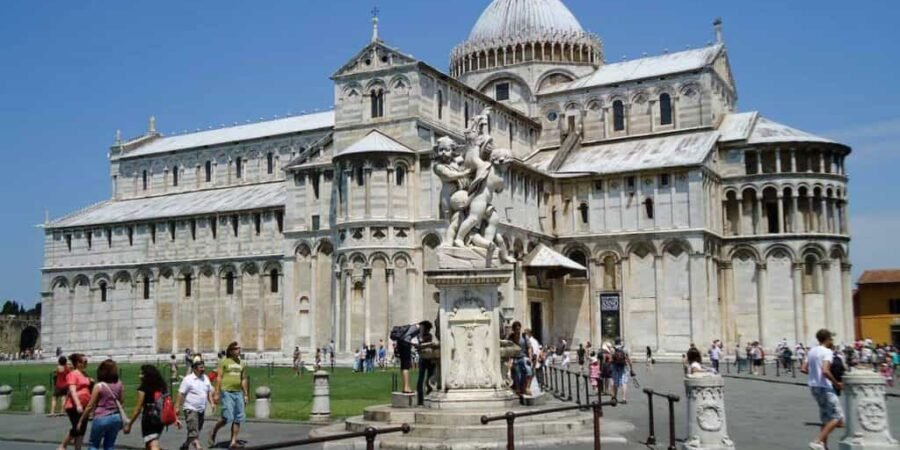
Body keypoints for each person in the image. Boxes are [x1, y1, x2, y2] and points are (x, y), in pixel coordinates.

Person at [800, 329, 844, 450]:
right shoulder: (827, 352)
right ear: (828, 339)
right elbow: (825, 371)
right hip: (825, 387)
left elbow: (803, 368)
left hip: (814, 387)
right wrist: (837, 383)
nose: (832, 341)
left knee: (826, 418)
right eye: (831, 339)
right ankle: (818, 441)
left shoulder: (811, 351)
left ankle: (824, 447)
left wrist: (814, 374)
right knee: (838, 417)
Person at [123, 365, 176, 450]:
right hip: (160, 416)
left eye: (141, 374)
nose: (139, 376)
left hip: (149, 417)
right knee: (149, 443)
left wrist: (130, 424)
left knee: (153, 443)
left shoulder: (143, 388)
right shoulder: (161, 387)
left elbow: (138, 408)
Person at [209, 342, 248, 449]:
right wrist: (216, 392)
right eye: (236, 349)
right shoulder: (224, 362)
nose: (239, 350)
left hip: (238, 392)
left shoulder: (242, 363)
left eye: (240, 348)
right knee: (227, 417)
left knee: (238, 418)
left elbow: (243, 379)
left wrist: (246, 394)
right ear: (230, 350)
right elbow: (219, 377)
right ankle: (214, 430)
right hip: (227, 392)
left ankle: (233, 442)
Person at [78, 359, 124, 450]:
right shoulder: (119, 384)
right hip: (115, 417)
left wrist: (81, 419)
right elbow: (121, 400)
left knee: (94, 444)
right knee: (109, 444)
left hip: (101, 416)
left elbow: (90, 406)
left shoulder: (99, 386)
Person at [177, 359, 215, 450]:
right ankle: (198, 446)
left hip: (201, 409)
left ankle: (185, 445)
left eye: (203, 367)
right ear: (194, 368)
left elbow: (209, 391)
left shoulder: (205, 378)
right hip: (190, 408)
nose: (203, 369)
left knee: (196, 430)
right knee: (193, 429)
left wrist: (212, 402)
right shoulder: (188, 379)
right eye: (201, 367)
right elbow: (181, 393)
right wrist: (177, 406)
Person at [59, 353, 91, 450]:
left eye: (86, 362)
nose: (86, 364)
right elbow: (72, 390)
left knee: (82, 430)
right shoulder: (72, 374)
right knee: (77, 427)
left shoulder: (84, 374)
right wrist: (78, 404)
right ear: (78, 363)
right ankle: (63, 446)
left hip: (85, 405)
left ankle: (78, 448)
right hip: (74, 406)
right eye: (84, 362)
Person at [392, 321, 432, 394]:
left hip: (401, 343)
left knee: (403, 366)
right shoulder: (421, 326)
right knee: (406, 366)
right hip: (405, 344)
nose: (428, 331)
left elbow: (408, 337)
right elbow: (420, 339)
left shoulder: (414, 326)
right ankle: (407, 387)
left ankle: (405, 387)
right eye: (428, 330)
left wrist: (414, 344)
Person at [416, 327, 436, 406]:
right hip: (423, 359)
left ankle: (428, 394)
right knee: (422, 378)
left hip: (428, 358)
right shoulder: (420, 336)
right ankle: (420, 398)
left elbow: (423, 342)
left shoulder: (429, 336)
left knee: (429, 378)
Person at [610, 338, 634, 404]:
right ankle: (624, 398)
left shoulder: (612, 349)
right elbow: (629, 360)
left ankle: (615, 397)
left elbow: (610, 360)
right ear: (620, 342)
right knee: (624, 383)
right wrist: (631, 369)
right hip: (624, 367)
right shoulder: (625, 349)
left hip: (615, 367)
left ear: (615, 342)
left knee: (615, 382)